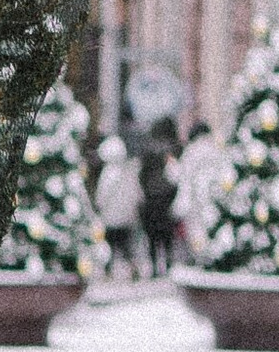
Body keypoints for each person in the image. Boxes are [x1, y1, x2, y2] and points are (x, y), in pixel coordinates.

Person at [173, 115, 231, 263]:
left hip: (196, 204)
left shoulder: (190, 153)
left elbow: (184, 180)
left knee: (197, 234)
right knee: (215, 232)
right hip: (216, 202)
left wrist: (181, 204)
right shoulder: (217, 150)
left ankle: (201, 260)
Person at [94, 125, 143, 277]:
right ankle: (133, 268)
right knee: (127, 245)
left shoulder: (108, 173)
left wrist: (99, 206)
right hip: (126, 216)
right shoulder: (127, 170)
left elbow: (102, 195)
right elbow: (135, 192)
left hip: (110, 217)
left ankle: (108, 271)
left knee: (109, 245)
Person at [137, 128, 178, 277]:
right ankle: (168, 264)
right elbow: (174, 179)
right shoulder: (167, 153)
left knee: (153, 238)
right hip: (165, 200)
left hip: (151, 201)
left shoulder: (146, 155)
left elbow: (141, 178)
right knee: (166, 237)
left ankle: (155, 267)